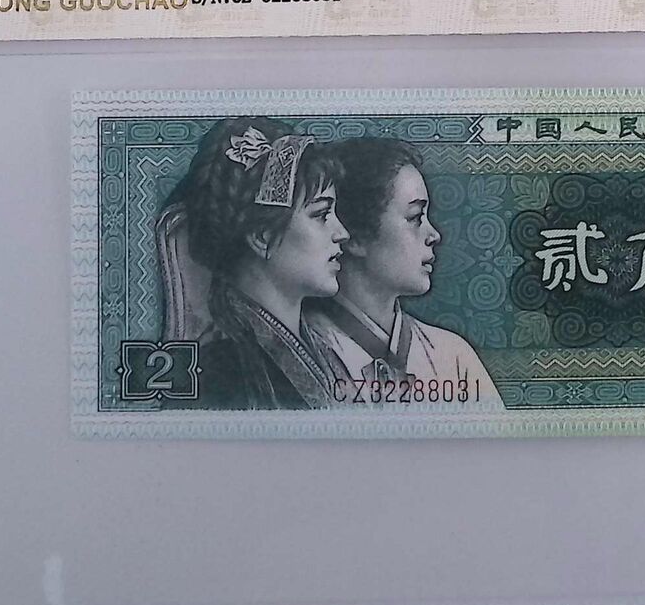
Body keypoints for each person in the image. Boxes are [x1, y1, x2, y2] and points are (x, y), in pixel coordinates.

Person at [163, 117, 351, 409]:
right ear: (263, 236)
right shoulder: (218, 374)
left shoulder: (323, 348)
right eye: (321, 215)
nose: (342, 233)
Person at [307, 137, 498, 402]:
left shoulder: (453, 357)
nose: (434, 235)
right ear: (356, 237)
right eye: (415, 217)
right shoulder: (304, 352)